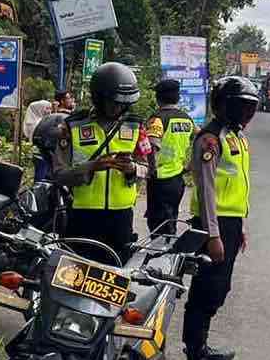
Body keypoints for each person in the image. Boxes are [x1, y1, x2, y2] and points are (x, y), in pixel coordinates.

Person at [184, 76, 259, 360]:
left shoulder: (235, 136)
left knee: (218, 288)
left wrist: (239, 227)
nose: (246, 113)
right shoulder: (210, 139)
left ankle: (200, 348)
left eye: (250, 108)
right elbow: (207, 190)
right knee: (206, 290)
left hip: (228, 223)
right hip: (210, 224)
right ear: (224, 106)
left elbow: (236, 186)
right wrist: (213, 235)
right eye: (241, 107)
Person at [52, 62, 148, 262]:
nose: (118, 107)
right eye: (113, 102)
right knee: (76, 274)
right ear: (99, 98)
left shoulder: (136, 126)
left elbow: (148, 168)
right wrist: (92, 167)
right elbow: (59, 175)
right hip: (83, 218)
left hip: (121, 220)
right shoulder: (72, 126)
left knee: (116, 274)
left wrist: (132, 169)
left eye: (123, 103)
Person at [145, 78, 195, 235]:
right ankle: (169, 245)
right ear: (177, 97)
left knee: (158, 225)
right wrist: (189, 166)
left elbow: (152, 146)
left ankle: (163, 249)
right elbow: (201, 141)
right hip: (178, 178)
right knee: (171, 219)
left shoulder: (157, 119)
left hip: (160, 179)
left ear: (158, 98)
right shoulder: (186, 119)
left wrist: (150, 170)